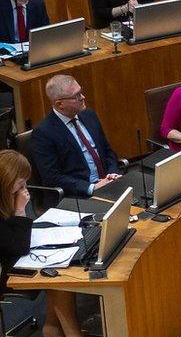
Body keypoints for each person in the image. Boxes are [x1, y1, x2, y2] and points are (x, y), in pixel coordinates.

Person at [0, 150, 83, 337]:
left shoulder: (6, 196)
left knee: (61, 270)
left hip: (14, 255)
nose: (24, 187)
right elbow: (18, 245)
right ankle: (70, 333)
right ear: (6, 181)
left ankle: (52, 327)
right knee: (58, 277)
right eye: (20, 183)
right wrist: (21, 210)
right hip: (5, 269)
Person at [30, 75, 122, 198]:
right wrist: (92, 188)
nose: (83, 97)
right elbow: (53, 177)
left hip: (109, 183)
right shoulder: (44, 133)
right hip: (79, 195)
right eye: (76, 96)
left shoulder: (89, 115)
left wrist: (112, 173)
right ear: (60, 104)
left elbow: (107, 151)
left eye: (81, 92)